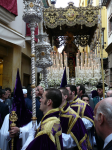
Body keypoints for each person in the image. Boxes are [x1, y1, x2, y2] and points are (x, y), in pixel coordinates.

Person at [0, 69, 32, 150]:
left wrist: (19, 130)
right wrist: (9, 135)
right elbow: (3, 134)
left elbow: (32, 132)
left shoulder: (29, 115)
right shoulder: (9, 116)